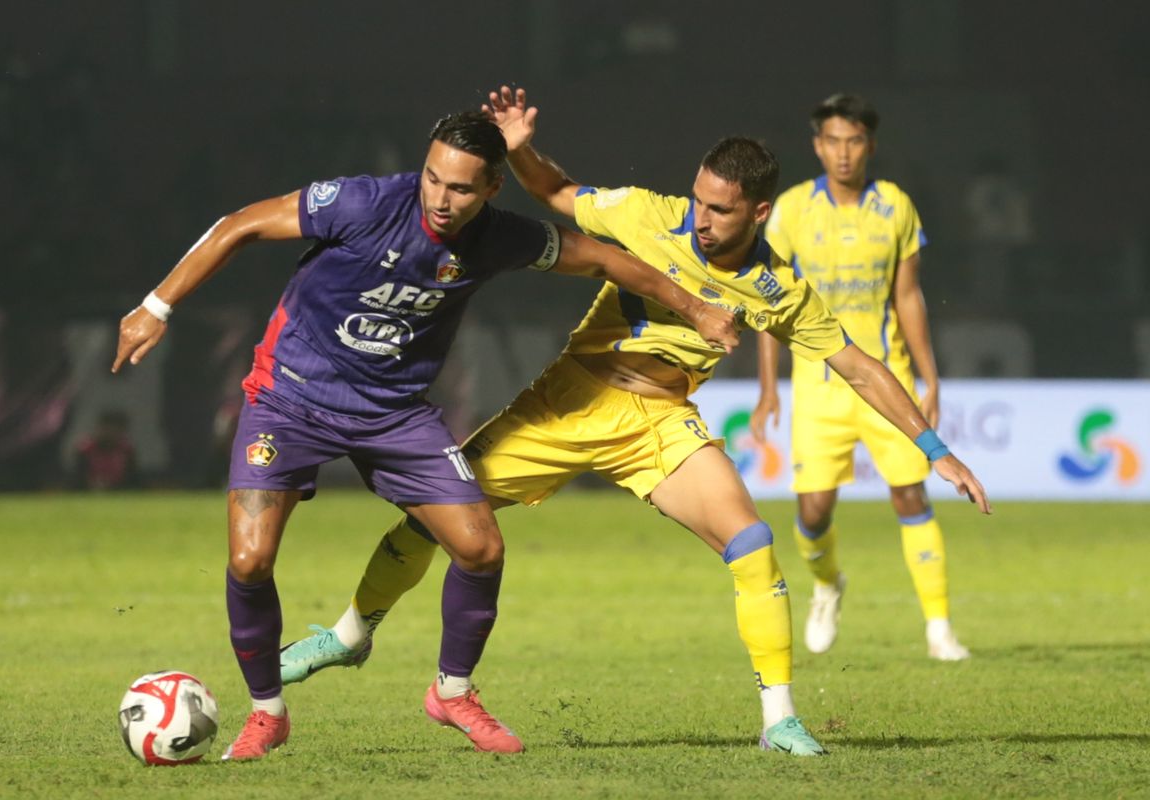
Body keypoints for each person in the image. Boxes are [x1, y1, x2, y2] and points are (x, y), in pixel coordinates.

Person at [279, 86, 992, 758]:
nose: (701, 218)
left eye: (720, 210)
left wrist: (935, 448)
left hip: (658, 424)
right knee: (431, 521)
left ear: (760, 212)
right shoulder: (648, 215)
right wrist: (522, 148)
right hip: (569, 401)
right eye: (700, 200)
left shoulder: (779, 291)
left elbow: (861, 365)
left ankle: (779, 720)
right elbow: (557, 193)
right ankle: (349, 634)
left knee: (752, 543)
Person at [111, 110, 740, 761]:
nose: (441, 198)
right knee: (249, 560)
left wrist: (697, 309)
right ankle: (268, 713)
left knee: (481, 548)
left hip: (394, 415)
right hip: (290, 398)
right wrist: (155, 307)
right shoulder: (362, 202)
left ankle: (452, 692)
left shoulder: (499, 238)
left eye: (462, 188)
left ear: (493, 188)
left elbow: (604, 258)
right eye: (434, 179)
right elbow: (240, 224)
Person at [752, 93, 969, 661]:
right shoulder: (793, 209)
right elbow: (767, 299)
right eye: (832, 141)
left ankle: (939, 628)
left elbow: (909, 295)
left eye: (854, 142)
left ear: (869, 146)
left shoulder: (895, 206)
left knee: (909, 492)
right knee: (813, 511)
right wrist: (768, 387)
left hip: (887, 377)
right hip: (818, 384)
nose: (843, 153)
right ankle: (827, 585)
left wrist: (931, 378)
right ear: (817, 146)